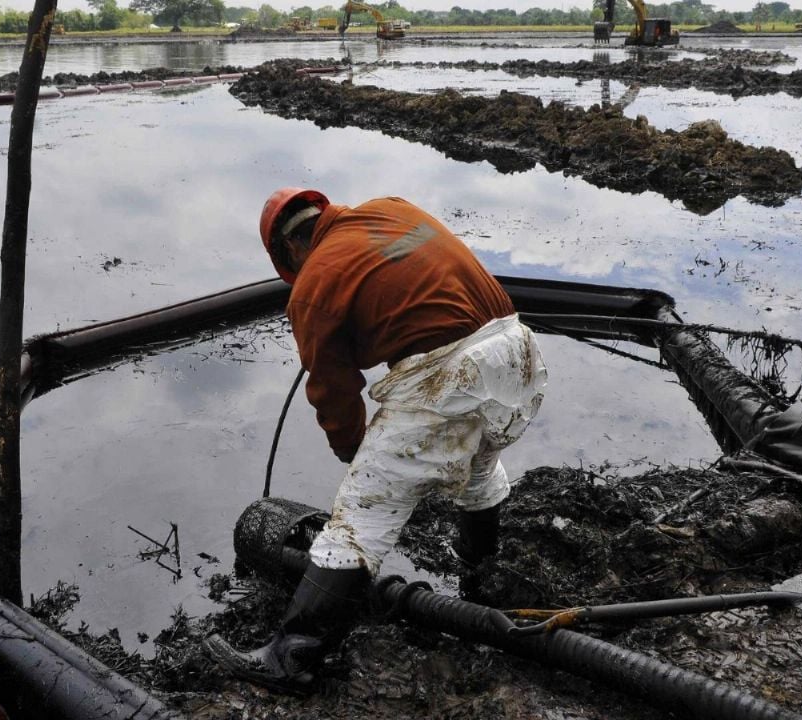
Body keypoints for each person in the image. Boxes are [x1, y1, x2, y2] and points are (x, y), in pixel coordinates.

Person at [205, 188, 547, 694]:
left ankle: (291, 658)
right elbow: (400, 282)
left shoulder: (314, 284)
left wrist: (354, 452)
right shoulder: (392, 210)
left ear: (289, 249)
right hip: (517, 353)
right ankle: (480, 583)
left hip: (451, 372)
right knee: (478, 465)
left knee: (361, 515)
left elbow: (333, 391)